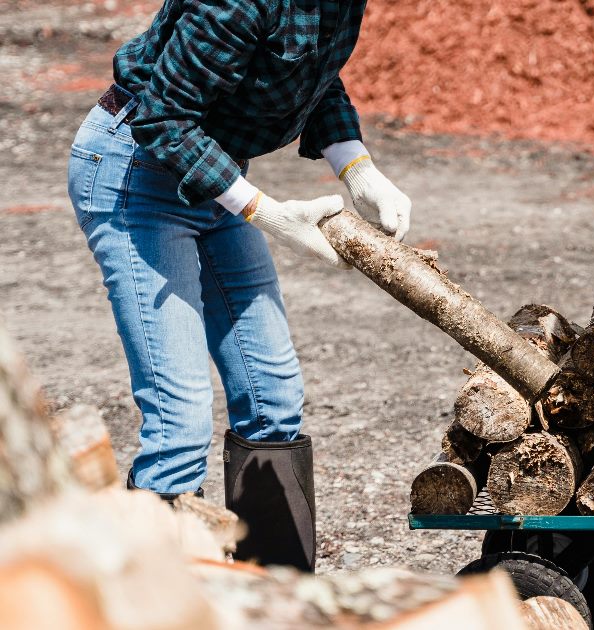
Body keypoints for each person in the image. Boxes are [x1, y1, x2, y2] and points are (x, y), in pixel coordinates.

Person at [65, 0, 408, 572]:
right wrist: (265, 212)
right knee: (180, 424)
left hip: (212, 173)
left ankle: (278, 598)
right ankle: (155, 602)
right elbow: (161, 116)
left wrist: (358, 169)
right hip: (135, 174)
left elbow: (313, 76)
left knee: (274, 400)